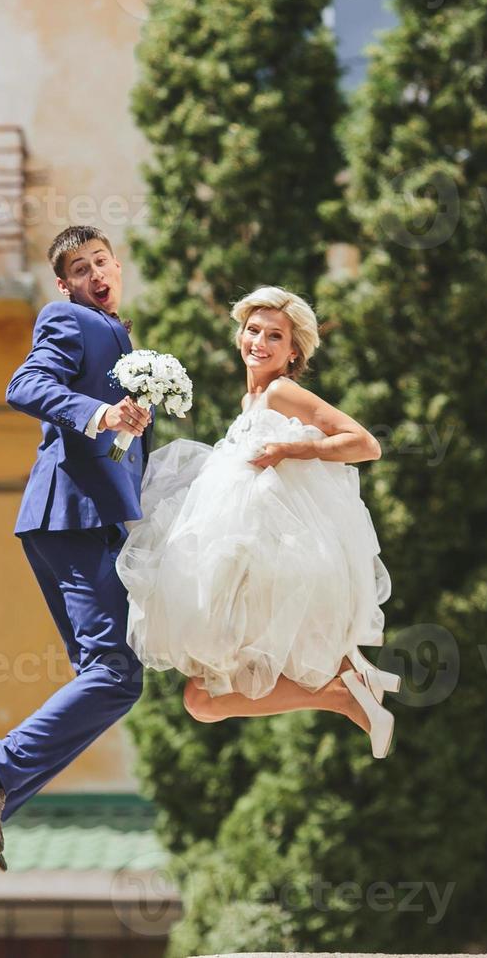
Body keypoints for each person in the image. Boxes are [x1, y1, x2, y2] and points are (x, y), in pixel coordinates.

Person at [0, 225, 153, 872]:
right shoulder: (68, 319)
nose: (95, 275)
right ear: (65, 285)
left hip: (84, 522)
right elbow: (25, 385)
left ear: (118, 266)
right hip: (73, 516)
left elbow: (121, 454)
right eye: (80, 269)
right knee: (116, 673)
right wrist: (100, 414)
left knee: (108, 676)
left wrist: (127, 427)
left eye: (102, 262)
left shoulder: (121, 337)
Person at [116, 286, 401, 759]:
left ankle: (348, 686)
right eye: (253, 330)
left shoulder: (281, 392)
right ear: (239, 336)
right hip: (238, 564)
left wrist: (296, 448)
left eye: (275, 336)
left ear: (293, 353)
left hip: (270, 563)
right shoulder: (250, 406)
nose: (260, 343)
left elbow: (365, 444)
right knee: (200, 702)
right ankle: (348, 681)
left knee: (202, 698)